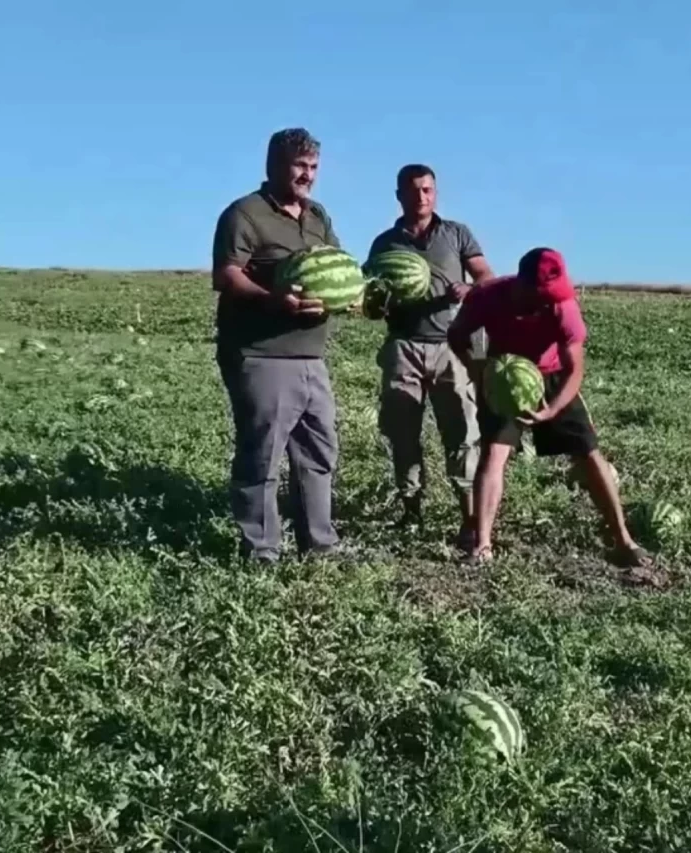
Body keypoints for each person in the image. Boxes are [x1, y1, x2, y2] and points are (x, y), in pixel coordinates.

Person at [446, 247, 651, 568]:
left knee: (589, 453)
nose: (547, 301)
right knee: (494, 454)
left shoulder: (563, 307)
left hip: (553, 375)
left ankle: (624, 540)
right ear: (522, 284)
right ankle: (482, 546)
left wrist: (552, 410)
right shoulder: (487, 296)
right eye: (541, 295)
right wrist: (477, 369)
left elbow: (574, 370)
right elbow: (456, 335)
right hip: (504, 375)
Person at [210, 127, 349, 564]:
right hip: (261, 354)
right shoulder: (245, 214)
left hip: (311, 356)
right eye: (299, 166)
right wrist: (273, 299)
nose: (307, 175)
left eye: (313, 167)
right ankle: (261, 551)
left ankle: (319, 545)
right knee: (262, 454)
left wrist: (348, 295)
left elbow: (337, 263)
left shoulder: (318, 216)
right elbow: (227, 275)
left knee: (318, 452)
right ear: (273, 165)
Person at [363, 164, 495, 549]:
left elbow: (485, 276)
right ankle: (411, 511)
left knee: (462, 433)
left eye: (427, 190)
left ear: (435, 193)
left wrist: (469, 290)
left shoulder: (456, 233)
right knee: (402, 432)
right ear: (399, 195)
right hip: (403, 346)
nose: (421, 197)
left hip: (451, 346)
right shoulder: (385, 244)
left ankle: (469, 518)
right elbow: (368, 302)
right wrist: (382, 300)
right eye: (413, 190)